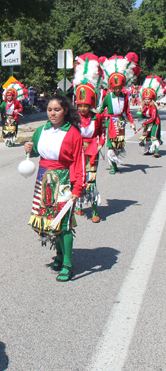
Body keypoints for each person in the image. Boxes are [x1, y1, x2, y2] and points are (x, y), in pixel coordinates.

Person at [24, 95, 84, 282]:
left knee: (63, 223)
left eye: (57, 109)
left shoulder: (74, 133)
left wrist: (77, 190)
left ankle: (67, 264)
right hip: (43, 181)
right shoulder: (41, 130)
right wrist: (27, 148)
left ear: (65, 110)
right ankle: (58, 255)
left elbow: (80, 163)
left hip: (64, 181)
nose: (52, 113)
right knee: (49, 221)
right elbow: (34, 152)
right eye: (50, 109)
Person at [73, 53, 106, 223]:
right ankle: (78, 206)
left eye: (86, 105)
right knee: (78, 179)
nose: (84, 108)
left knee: (91, 181)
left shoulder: (97, 117)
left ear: (91, 104)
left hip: (92, 152)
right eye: (81, 105)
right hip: (77, 153)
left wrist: (100, 144)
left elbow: (102, 132)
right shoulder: (73, 118)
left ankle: (94, 210)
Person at [98, 53, 140, 174]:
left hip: (120, 122)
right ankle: (112, 165)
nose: (117, 90)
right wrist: (95, 116)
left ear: (122, 86)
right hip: (110, 122)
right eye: (115, 88)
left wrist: (131, 122)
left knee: (118, 144)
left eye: (119, 87)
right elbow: (101, 109)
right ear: (112, 86)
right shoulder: (108, 97)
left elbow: (127, 112)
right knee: (111, 144)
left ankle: (115, 162)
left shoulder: (125, 98)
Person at [137, 75, 165, 158]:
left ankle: (156, 151)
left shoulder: (153, 107)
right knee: (147, 137)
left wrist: (145, 123)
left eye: (148, 99)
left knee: (154, 136)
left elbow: (153, 118)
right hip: (148, 123)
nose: (147, 101)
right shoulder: (145, 107)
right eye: (145, 99)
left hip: (155, 122)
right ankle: (148, 150)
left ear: (151, 100)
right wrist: (140, 112)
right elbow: (144, 116)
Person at [0, 82, 27, 147]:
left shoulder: (16, 102)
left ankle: (12, 140)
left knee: (13, 130)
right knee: (6, 130)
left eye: (10, 96)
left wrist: (18, 110)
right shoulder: (4, 103)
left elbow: (21, 107)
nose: (8, 97)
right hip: (6, 118)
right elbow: (1, 109)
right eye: (7, 96)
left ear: (13, 96)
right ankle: (6, 140)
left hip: (14, 118)